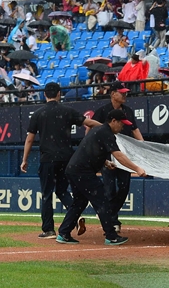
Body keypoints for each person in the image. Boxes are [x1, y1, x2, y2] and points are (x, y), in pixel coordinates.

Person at [20, 82, 101, 239]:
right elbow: (89, 123)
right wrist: (106, 129)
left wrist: (24, 159)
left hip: (48, 159)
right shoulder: (67, 111)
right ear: (59, 94)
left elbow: (30, 139)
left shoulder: (38, 114)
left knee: (47, 194)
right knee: (62, 191)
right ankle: (75, 216)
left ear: (45, 94)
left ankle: (48, 229)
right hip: (67, 158)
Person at [56, 109, 146, 246]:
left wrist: (105, 162)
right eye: (121, 123)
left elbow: (91, 150)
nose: (122, 127)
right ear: (114, 121)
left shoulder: (99, 130)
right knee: (102, 201)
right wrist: (137, 168)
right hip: (82, 171)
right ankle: (111, 236)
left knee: (79, 202)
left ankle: (64, 233)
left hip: (74, 169)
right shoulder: (106, 133)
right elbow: (119, 155)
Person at [90, 82, 144, 234]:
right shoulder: (102, 111)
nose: (125, 95)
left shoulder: (128, 111)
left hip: (124, 156)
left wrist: (144, 147)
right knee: (109, 189)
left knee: (124, 188)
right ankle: (112, 221)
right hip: (107, 156)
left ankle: (108, 213)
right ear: (113, 94)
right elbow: (90, 128)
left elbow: (135, 129)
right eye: (122, 92)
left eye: (125, 92)